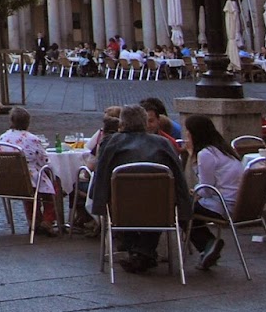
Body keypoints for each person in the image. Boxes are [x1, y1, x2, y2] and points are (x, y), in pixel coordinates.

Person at [88, 104, 191, 275]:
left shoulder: (111, 143)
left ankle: (139, 251)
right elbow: (179, 177)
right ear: (144, 122)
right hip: (159, 209)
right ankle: (143, 252)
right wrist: (184, 206)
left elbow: (101, 176)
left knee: (118, 206)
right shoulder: (163, 144)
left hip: (122, 208)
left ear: (122, 123)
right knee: (158, 203)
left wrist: (98, 200)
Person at [183, 114, 242, 270]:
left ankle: (207, 245)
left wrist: (192, 158)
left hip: (223, 204)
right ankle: (207, 247)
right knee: (190, 206)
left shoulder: (205, 154)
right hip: (237, 202)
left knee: (181, 209)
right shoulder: (224, 150)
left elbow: (206, 189)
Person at [0, 107, 62, 234]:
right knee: (53, 183)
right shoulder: (32, 139)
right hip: (27, 180)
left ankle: (34, 220)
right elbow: (45, 161)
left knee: (30, 185)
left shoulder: (2, 138)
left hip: (5, 181)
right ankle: (47, 220)